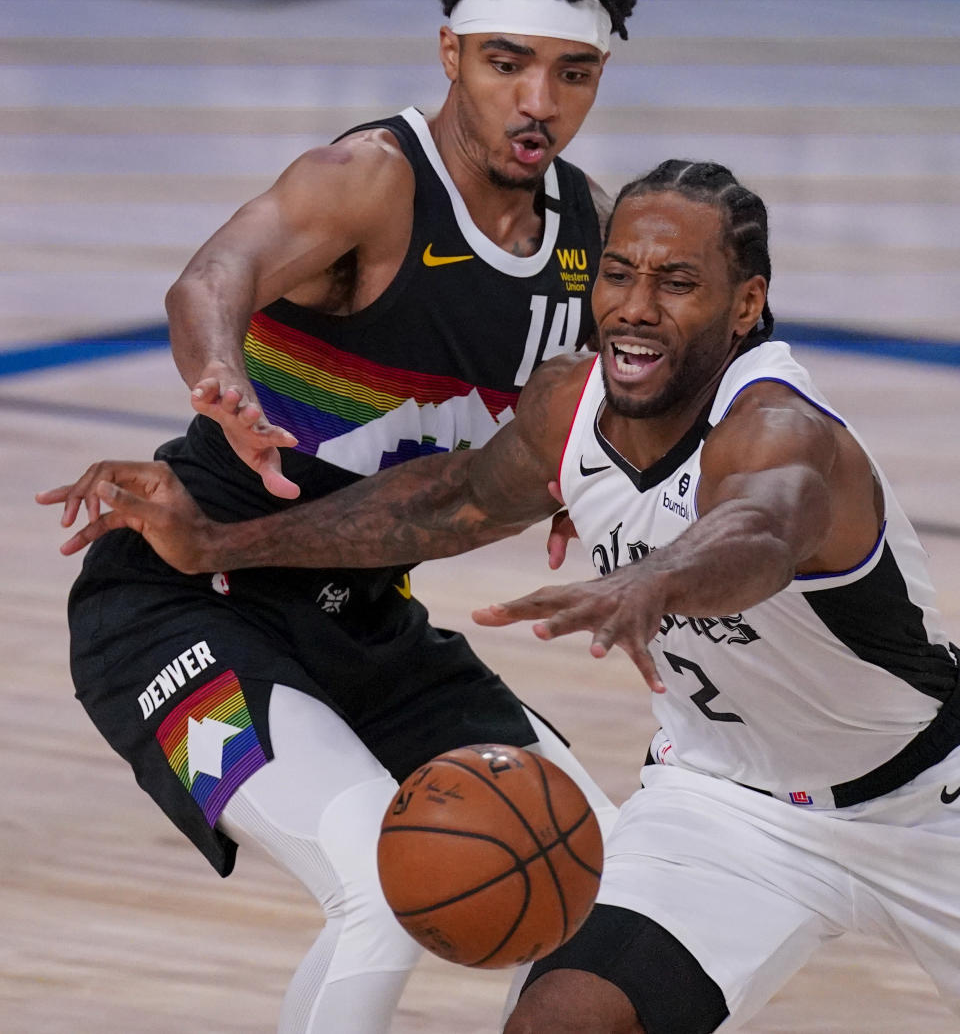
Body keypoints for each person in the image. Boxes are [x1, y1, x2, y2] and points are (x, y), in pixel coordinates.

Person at [45, 160, 960, 1034]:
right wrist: (219, 542)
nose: (635, 309)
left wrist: (655, 578)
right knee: (562, 1017)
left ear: (745, 304)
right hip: (723, 805)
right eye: (618, 274)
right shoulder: (576, 405)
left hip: (928, 796)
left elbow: (760, 529)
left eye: (677, 282)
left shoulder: (780, 429)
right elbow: (451, 501)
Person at [38, 0, 636, 1034]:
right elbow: (214, 273)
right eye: (508, 64)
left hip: (366, 617)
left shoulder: (587, 229)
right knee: (379, 889)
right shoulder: (368, 178)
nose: (538, 101)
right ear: (453, 51)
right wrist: (221, 369)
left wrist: (598, 478)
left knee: (595, 882)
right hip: (181, 598)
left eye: (573, 72)